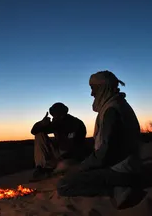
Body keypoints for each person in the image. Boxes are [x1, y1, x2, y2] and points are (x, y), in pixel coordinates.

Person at [56, 70, 142, 208]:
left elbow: (106, 153)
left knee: (63, 185)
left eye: (93, 89)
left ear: (103, 88)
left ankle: (116, 189)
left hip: (121, 171)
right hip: (125, 166)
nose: (92, 94)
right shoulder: (117, 105)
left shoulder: (111, 111)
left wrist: (80, 168)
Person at [30, 102, 87, 181]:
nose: (53, 118)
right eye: (53, 116)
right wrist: (41, 124)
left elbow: (75, 147)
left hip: (72, 157)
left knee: (65, 165)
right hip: (59, 155)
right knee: (39, 135)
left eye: (55, 115)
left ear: (63, 114)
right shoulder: (56, 123)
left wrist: (61, 159)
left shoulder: (76, 124)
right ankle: (41, 168)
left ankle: (53, 171)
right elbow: (34, 131)